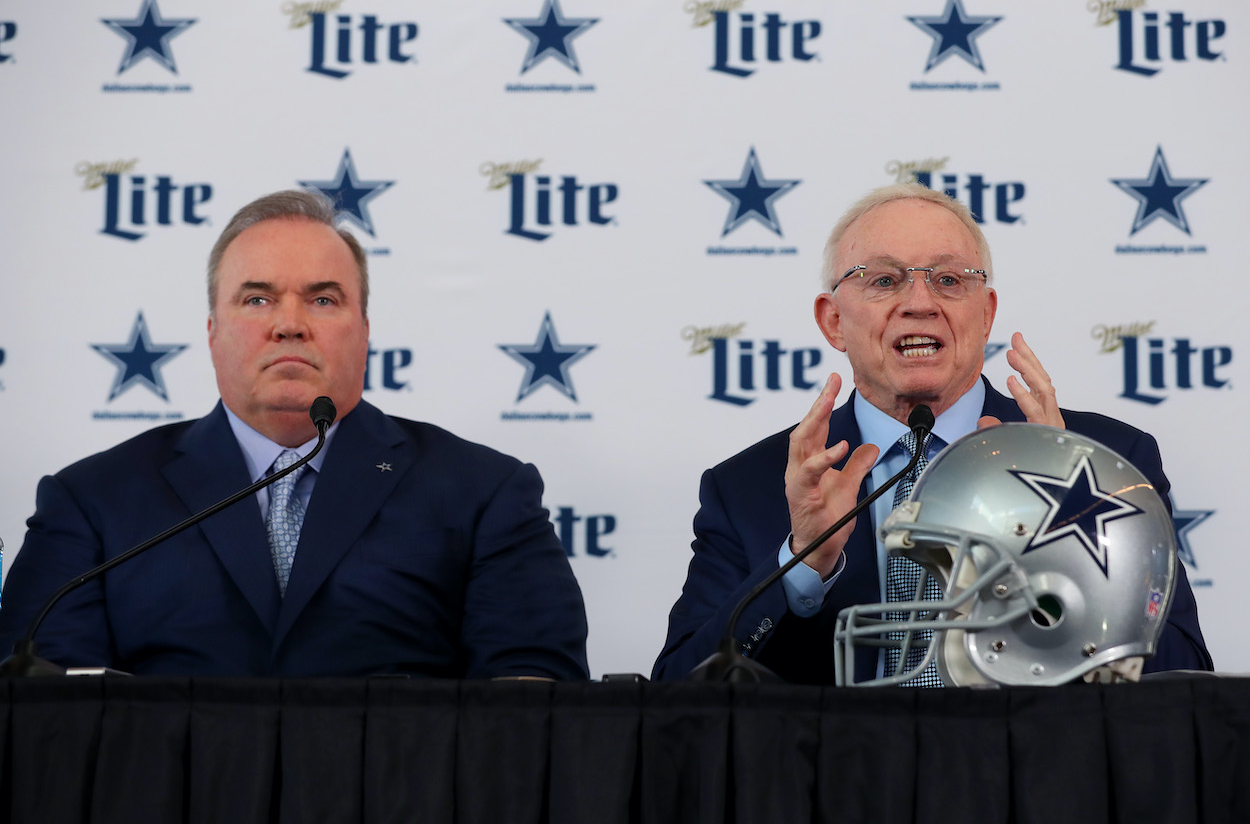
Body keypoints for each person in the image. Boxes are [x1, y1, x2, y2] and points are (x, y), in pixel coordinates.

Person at [0, 190, 589, 679]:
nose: (289, 324)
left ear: (364, 332)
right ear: (212, 332)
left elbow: (533, 710)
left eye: (323, 299)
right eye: (257, 298)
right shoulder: (92, 500)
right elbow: (44, 716)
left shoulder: (482, 492)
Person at [652, 182, 1212, 684]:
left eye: (949, 280)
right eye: (884, 280)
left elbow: (1183, 678)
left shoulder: (1104, 461)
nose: (920, 303)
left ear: (986, 313)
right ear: (833, 321)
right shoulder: (747, 486)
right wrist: (802, 561)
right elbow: (679, 691)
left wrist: (1065, 539)